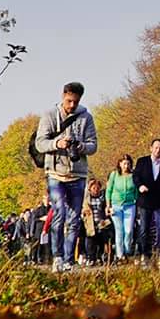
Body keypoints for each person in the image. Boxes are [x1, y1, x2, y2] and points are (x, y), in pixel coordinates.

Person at [34, 81, 99, 272]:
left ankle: (69, 259)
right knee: (59, 213)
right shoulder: (48, 116)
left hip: (77, 174)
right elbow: (40, 143)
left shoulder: (86, 117)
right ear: (63, 95)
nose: (72, 105)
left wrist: (81, 147)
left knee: (74, 218)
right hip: (55, 173)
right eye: (69, 101)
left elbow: (93, 145)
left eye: (76, 102)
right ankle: (58, 257)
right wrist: (57, 143)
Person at [132, 139, 160, 266]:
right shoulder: (142, 161)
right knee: (144, 228)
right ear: (151, 148)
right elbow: (136, 176)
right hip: (145, 199)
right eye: (156, 148)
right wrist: (140, 186)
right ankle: (145, 253)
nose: (158, 150)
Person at [106, 154, 137, 261]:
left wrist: (136, 202)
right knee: (119, 230)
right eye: (124, 163)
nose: (126, 166)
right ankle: (120, 255)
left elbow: (136, 191)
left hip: (130, 205)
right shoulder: (114, 175)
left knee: (128, 230)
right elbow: (108, 190)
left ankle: (127, 250)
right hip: (116, 205)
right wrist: (108, 205)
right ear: (120, 164)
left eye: (128, 163)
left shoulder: (133, 176)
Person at [81, 178, 111, 265]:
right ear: (90, 189)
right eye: (94, 188)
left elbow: (105, 210)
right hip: (90, 223)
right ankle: (91, 258)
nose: (96, 190)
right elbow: (83, 209)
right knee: (90, 242)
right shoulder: (86, 199)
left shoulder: (103, 198)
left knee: (102, 241)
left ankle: (100, 257)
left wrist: (105, 220)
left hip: (101, 223)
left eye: (97, 188)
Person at [29, 194, 51, 264]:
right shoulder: (38, 209)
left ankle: (46, 259)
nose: (47, 201)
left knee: (47, 245)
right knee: (37, 245)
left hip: (49, 229)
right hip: (39, 229)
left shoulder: (51, 209)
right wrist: (42, 218)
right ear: (43, 200)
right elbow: (34, 219)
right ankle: (34, 259)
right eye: (45, 199)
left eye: (48, 199)